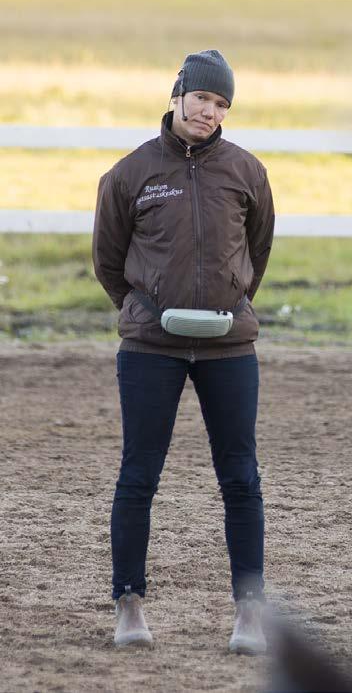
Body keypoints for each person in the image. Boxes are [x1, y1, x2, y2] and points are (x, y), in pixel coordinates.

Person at [92, 49, 275, 654]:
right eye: (202, 98)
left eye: (221, 104)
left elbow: (257, 252)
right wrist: (144, 310)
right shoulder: (129, 174)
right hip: (150, 348)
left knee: (241, 478)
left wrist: (229, 305)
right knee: (138, 474)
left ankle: (250, 612)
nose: (210, 112)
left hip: (229, 350)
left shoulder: (246, 171)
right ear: (178, 96)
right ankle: (130, 604)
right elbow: (109, 262)